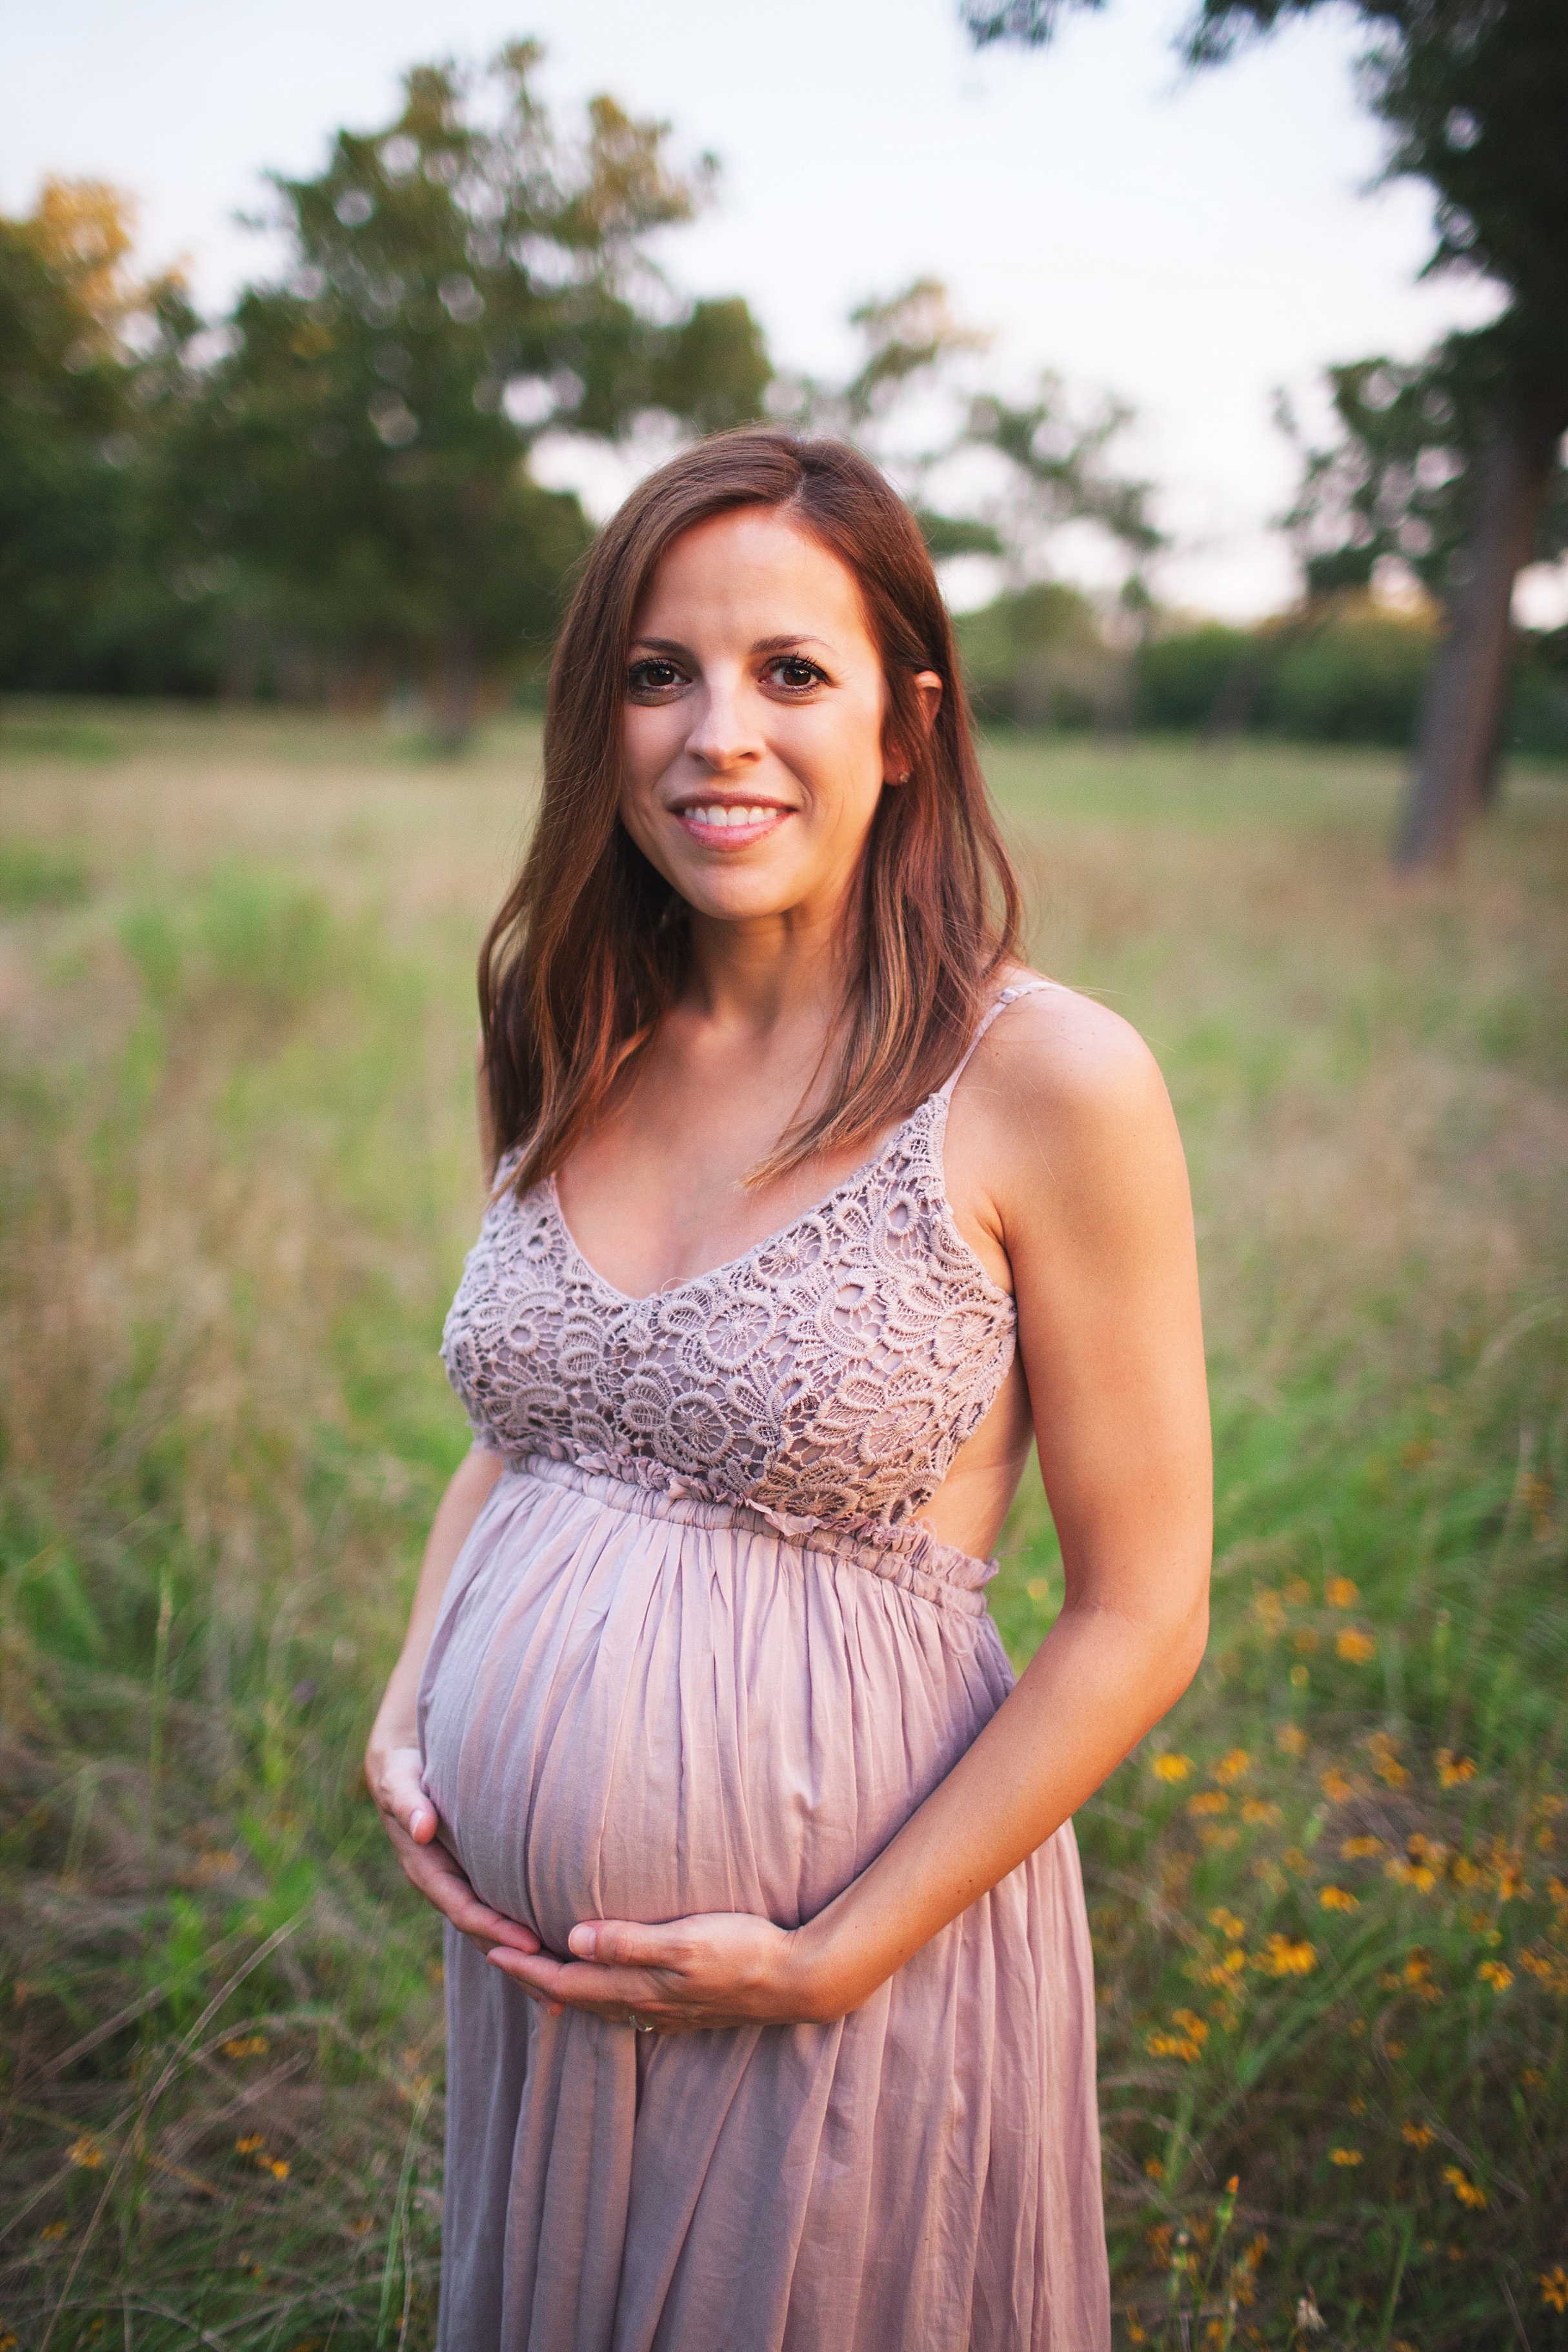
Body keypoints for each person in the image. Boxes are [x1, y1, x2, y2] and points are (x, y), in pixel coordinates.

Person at [367, 429, 1211, 2352]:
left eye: (790, 674)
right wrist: (415, 1698)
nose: (713, 734)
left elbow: (1147, 1614)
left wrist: (832, 1960)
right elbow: (528, 1433)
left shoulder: (1045, 1079)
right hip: (540, 2000)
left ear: (907, 725)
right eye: (657, 674)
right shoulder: (573, 1027)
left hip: (851, 1982)